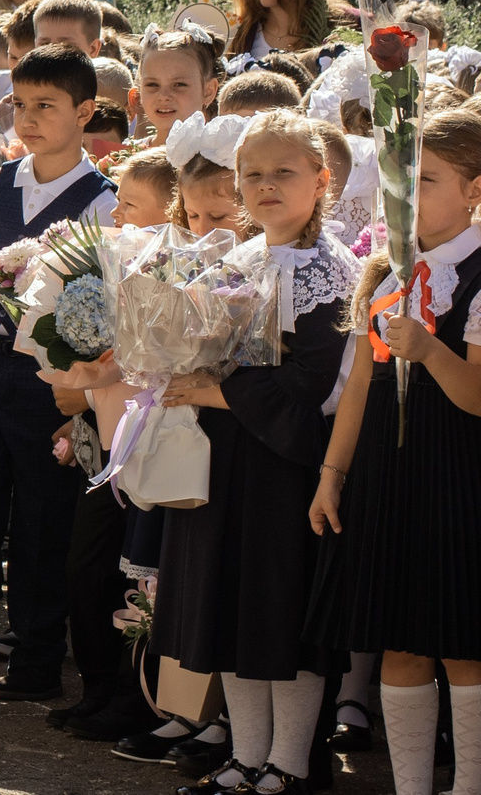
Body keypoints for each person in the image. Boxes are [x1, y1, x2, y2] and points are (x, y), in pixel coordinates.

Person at [154, 111, 352, 795]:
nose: (265, 185)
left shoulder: (327, 269)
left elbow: (310, 390)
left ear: (322, 179)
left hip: (287, 469)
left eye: (283, 172)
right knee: (233, 609)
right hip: (229, 461)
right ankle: (246, 755)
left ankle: (291, 763)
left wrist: (213, 390)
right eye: (253, 173)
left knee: (280, 613)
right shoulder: (236, 255)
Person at [312, 106, 481, 795]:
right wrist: (332, 474)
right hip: (389, 476)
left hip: (459, 476)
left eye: (427, 179)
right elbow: (359, 384)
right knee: (400, 642)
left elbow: (475, 396)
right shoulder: (386, 275)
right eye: (397, 182)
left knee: (464, 646)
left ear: (475, 188)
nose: (404, 197)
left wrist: (432, 348)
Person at [0, 41, 114, 708]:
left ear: (85, 111)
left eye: (46, 105)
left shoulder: (102, 201)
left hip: (54, 389)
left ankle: (37, 659)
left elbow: (102, 305)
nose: (27, 118)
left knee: (43, 529)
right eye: (20, 103)